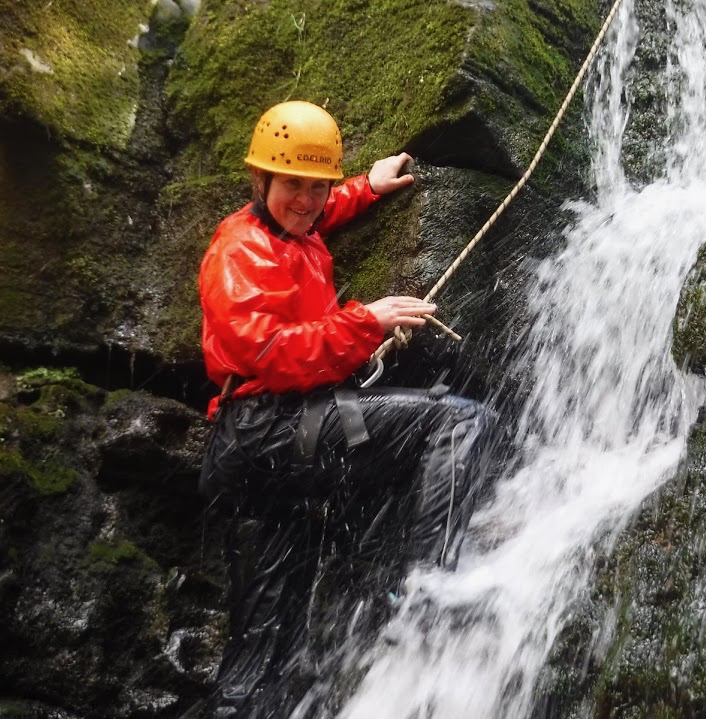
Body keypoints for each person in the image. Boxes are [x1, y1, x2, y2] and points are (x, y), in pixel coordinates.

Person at [196, 101, 496, 714]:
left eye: (318, 186)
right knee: (461, 421)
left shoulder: (290, 228)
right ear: (260, 181)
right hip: (271, 431)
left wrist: (368, 187)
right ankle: (427, 592)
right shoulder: (239, 253)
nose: (306, 200)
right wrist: (369, 320)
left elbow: (316, 214)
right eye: (292, 186)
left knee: (267, 653)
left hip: (264, 457)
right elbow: (270, 353)